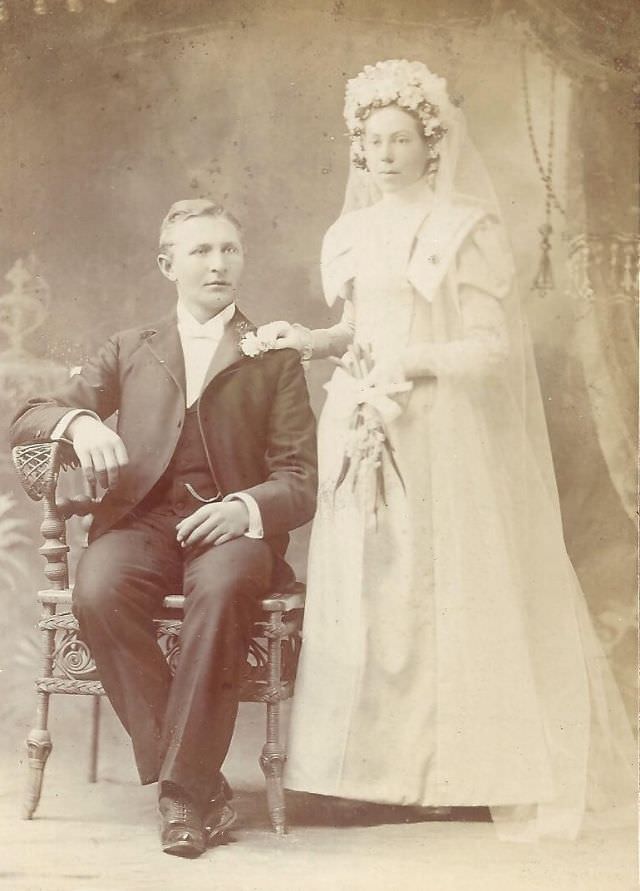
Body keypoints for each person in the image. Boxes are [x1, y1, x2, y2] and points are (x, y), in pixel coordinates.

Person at [256, 60, 634, 840]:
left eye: (401, 138)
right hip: (364, 425)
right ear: (358, 148)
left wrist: (412, 364)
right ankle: (365, 775)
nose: (386, 152)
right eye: (373, 139)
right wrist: (313, 339)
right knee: (370, 590)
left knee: (438, 589)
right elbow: (361, 330)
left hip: (440, 434)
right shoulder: (352, 231)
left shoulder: (465, 226)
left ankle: (452, 772)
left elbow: (491, 349)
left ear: (433, 144)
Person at [10, 199, 317, 858]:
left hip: (231, 531)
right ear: (166, 263)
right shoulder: (129, 347)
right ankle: (200, 782)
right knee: (98, 589)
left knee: (229, 582)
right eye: (201, 250)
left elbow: (299, 481)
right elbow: (29, 414)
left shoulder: (275, 356)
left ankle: (179, 793)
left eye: (229, 249)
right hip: (141, 522)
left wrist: (246, 508)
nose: (218, 262)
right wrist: (82, 422)